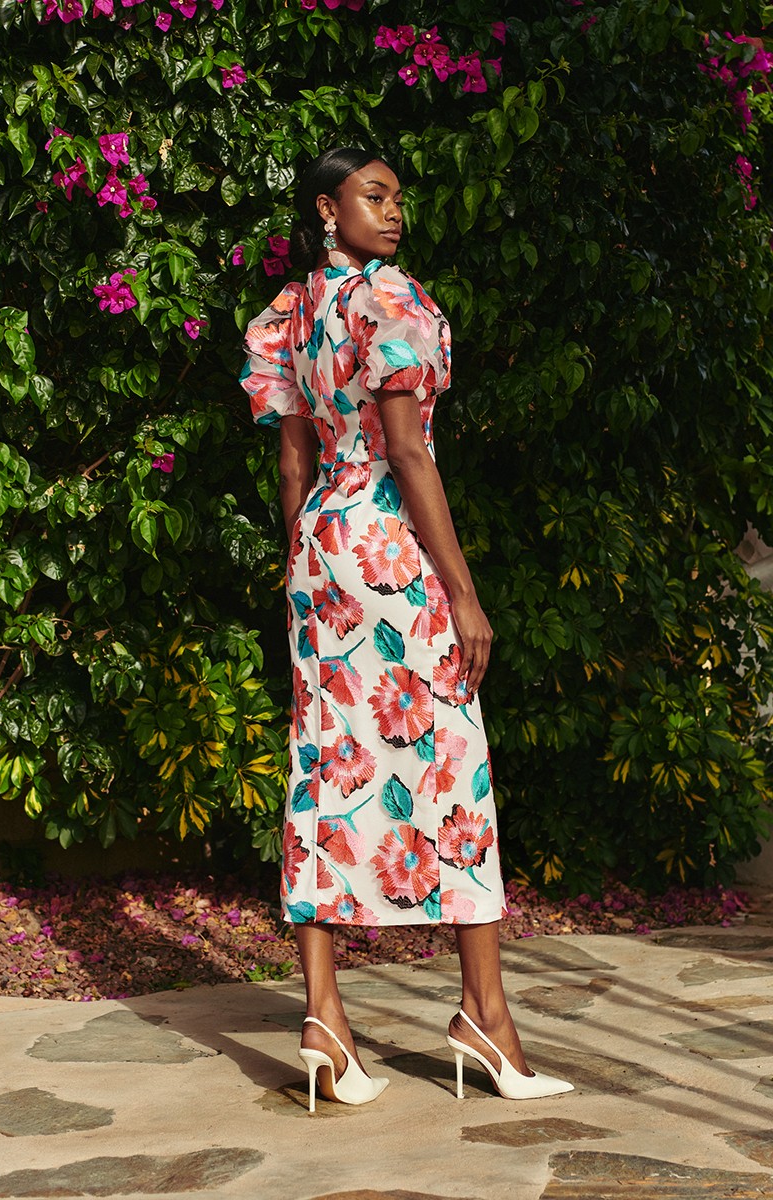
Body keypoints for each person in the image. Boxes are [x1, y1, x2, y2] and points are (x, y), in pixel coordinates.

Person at [240, 147, 573, 1113]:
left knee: (324, 762)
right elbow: (408, 450)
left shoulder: (288, 314)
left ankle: (324, 1021)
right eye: (373, 197)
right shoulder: (389, 300)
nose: (393, 214)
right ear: (327, 206)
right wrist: (463, 592)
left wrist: (301, 567)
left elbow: (293, 461)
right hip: (388, 541)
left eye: (397, 199)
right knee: (453, 763)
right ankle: (485, 1016)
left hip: (321, 551)